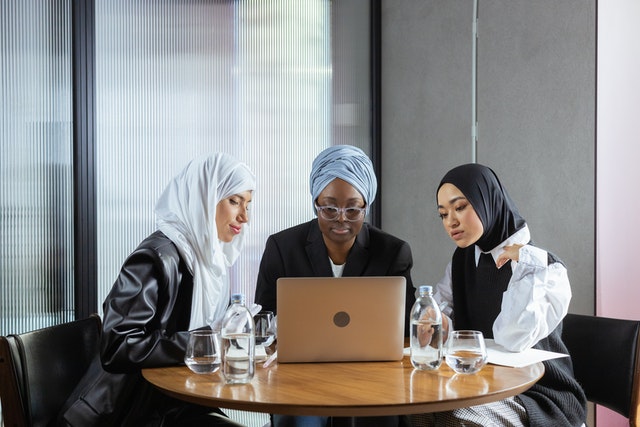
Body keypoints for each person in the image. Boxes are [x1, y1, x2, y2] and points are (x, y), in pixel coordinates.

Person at [58, 153, 255, 426]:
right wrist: (204, 342)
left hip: (178, 401)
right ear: (205, 197)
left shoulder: (205, 262)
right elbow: (118, 346)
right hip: (132, 413)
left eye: (248, 205)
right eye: (234, 201)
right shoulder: (155, 258)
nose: (244, 216)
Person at [410, 163, 586, 427]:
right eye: (443, 214)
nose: (451, 222)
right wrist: (439, 322)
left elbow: (512, 338)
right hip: (483, 383)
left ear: (487, 202)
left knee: (455, 417)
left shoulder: (541, 267)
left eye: (460, 207)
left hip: (538, 392)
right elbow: (443, 306)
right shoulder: (464, 259)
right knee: (419, 408)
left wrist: (525, 262)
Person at [254, 144, 416, 427]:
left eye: (353, 209)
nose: (341, 218)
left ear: (366, 206)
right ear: (315, 203)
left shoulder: (392, 252)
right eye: (329, 208)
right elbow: (261, 320)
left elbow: (406, 329)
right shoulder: (282, 247)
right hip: (299, 378)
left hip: (373, 378)